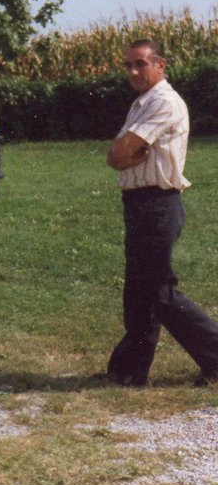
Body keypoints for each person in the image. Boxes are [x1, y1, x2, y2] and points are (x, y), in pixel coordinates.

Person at [99, 39, 218, 387]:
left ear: (160, 64)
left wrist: (126, 155)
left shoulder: (164, 102)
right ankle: (128, 372)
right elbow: (117, 155)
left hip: (157, 203)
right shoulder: (142, 103)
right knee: (138, 289)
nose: (134, 71)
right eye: (129, 65)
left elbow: (121, 151)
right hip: (139, 204)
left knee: (158, 290)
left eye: (141, 64)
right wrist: (125, 155)